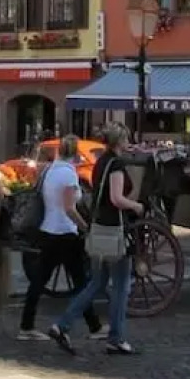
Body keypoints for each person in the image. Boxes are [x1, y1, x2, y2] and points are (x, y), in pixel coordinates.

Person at [48, 122, 143, 356]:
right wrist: (137, 206)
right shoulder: (117, 164)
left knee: (97, 283)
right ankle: (117, 338)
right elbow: (117, 198)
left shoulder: (101, 161)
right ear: (120, 141)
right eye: (126, 138)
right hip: (115, 230)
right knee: (121, 286)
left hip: (99, 227)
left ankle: (62, 325)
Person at [19, 135, 101, 342]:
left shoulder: (49, 170)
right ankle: (94, 327)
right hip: (65, 233)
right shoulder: (68, 174)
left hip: (49, 230)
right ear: (74, 153)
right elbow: (69, 208)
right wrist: (85, 227)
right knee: (81, 282)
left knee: (39, 281)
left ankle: (26, 326)